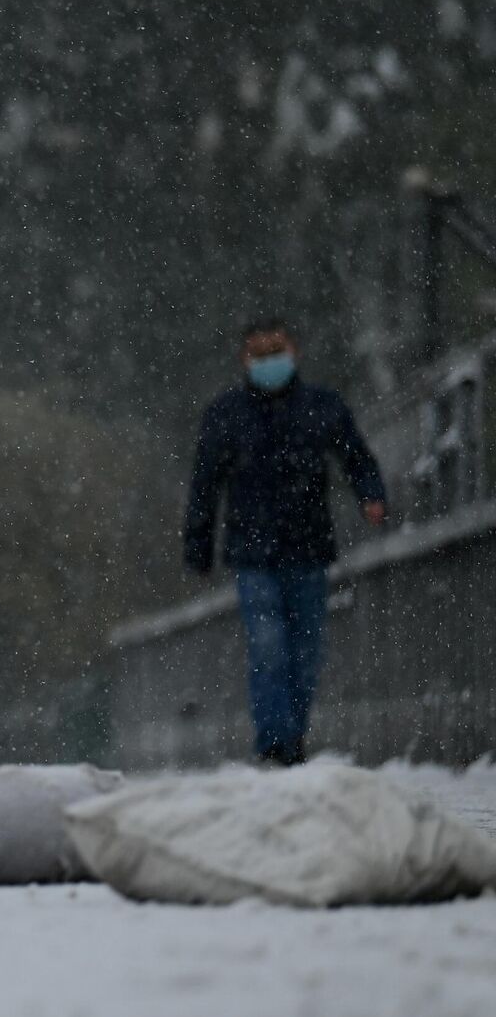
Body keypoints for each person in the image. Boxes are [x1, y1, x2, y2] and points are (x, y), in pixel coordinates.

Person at [184, 317, 385, 767]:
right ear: (244, 359)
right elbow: (205, 485)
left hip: (307, 546)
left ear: (294, 352)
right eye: (260, 353)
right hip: (252, 553)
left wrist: (371, 494)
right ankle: (275, 739)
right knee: (268, 645)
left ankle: (291, 735)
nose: (269, 361)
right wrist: (198, 547)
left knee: (305, 648)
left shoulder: (322, 407)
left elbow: (355, 455)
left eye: (276, 351)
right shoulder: (226, 415)